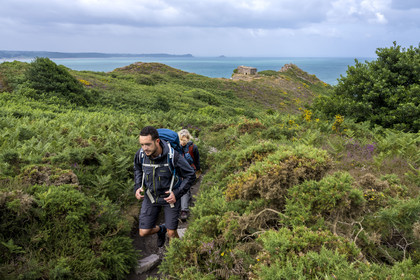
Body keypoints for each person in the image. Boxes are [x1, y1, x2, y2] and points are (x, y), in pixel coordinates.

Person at [134, 126, 195, 247]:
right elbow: (137, 168)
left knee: (172, 233)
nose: (144, 148)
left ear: (157, 141)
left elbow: (190, 175)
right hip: (151, 197)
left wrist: (177, 194)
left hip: (170, 198)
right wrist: (137, 186)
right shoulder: (141, 154)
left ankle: (178, 258)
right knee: (143, 232)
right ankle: (161, 230)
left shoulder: (173, 156)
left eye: (147, 144)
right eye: (142, 144)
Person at [178, 129, 201, 221]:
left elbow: (197, 160)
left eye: (184, 140)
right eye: (181, 140)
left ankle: (184, 210)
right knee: (185, 188)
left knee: (185, 188)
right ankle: (187, 202)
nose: (182, 142)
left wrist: (197, 170)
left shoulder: (193, 147)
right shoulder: (175, 148)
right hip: (179, 171)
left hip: (190, 171)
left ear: (188, 139)